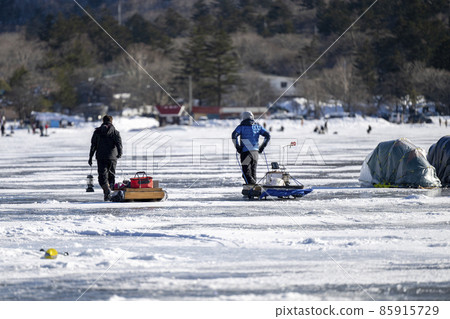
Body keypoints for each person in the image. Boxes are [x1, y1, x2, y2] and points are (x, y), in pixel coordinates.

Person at [89, 115, 123, 201]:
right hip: (112, 157)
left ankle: (107, 191)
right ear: (111, 121)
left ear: (103, 121)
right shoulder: (115, 132)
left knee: (102, 177)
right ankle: (109, 193)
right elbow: (119, 144)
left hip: (101, 157)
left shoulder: (97, 132)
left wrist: (90, 157)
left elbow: (93, 146)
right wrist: (119, 153)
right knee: (111, 175)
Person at [232, 111, 270, 184]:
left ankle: (253, 186)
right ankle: (253, 189)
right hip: (255, 153)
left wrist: (237, 147)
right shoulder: (257, 126)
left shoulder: (241, 127)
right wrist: (262, 147)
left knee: (246, 172)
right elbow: (267, 135)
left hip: (246, 152)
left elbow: (234, 135)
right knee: (253, 172)